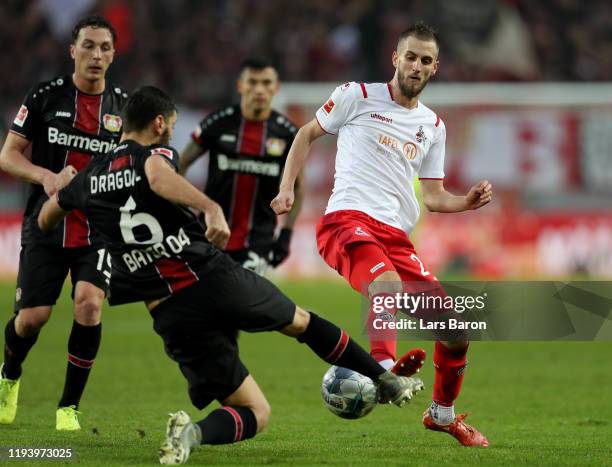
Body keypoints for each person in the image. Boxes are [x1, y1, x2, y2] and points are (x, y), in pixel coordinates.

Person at [37, 86, 424, 465]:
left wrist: (66, 189)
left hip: (169, 310)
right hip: (210, 277)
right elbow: (156, 176)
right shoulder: (155, 154)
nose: (170, 133)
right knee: (301, 323)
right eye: (170, 126)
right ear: (158, 124)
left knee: (253, 410)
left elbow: (45, 219)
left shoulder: (89, 177)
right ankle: (384, 378)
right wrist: (208, 206)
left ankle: (192, 435)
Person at [271, 22, 492, 447]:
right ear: (396, 58)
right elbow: (305, 134)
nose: (416, 65)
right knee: (385, 284)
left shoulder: (433, 126)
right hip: (346, 221)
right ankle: (383, 369)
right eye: (410, 56)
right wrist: (285, 189)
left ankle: (442, 415)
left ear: (435, 68)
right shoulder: (357, 95)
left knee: (455, 333)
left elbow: (433, 196)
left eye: (426, 60)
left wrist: (464, 202)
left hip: (395, 237)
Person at [0, 15, 128, 431]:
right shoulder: (45, 96)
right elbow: (9, 155)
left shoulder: (123, 108)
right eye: (88, 46)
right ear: (73, 50)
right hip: (47, 224)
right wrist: (47, 177)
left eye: (104, 47)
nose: (96, 55)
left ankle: (68, 407)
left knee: (90, 304)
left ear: (113, 53)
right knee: (31, 319)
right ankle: (10, 373)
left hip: (98, 230)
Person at [179, 58, 304, 275]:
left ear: (276, 88)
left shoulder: (287, 133)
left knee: (244, 308)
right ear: (240, 85)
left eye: (266, 83)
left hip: (258, 243)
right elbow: (180, 166)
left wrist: (286, 234)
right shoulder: (217, 123)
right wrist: (181, 214)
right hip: (211, 234)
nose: (259, 89)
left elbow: (299, 187)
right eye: (252, 82)